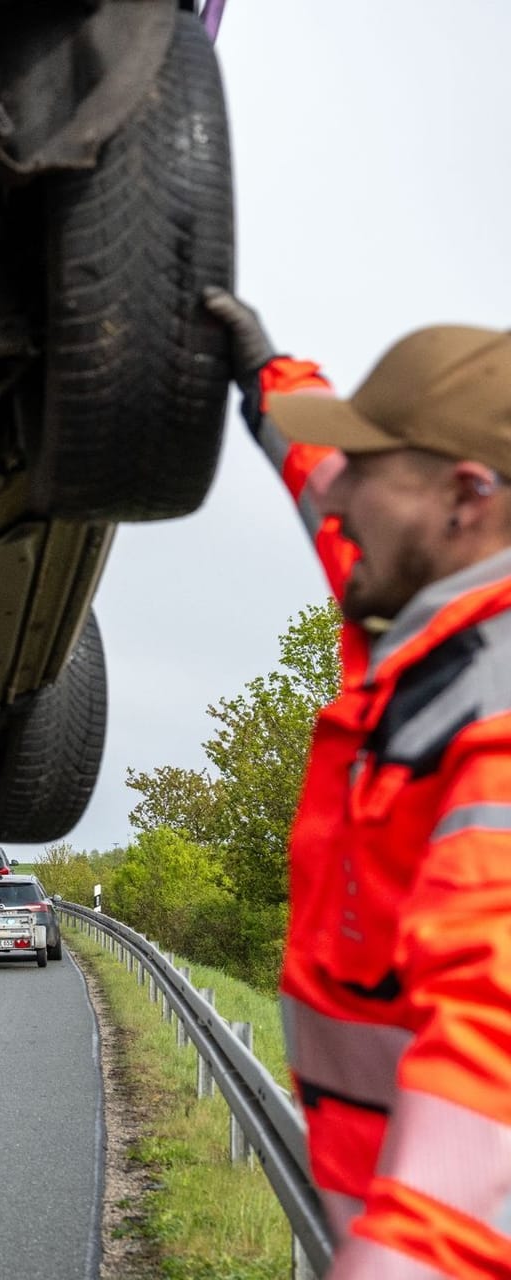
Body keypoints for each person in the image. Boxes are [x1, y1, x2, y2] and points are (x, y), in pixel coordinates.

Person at [206, 288, 511, 1279]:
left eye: (368, 474)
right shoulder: (417, 596)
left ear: (467, 495)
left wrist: (400, 1257)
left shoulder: (495, 706)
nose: (334, 502)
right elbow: (320, 474)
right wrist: (264, 375)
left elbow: (493, 1041)